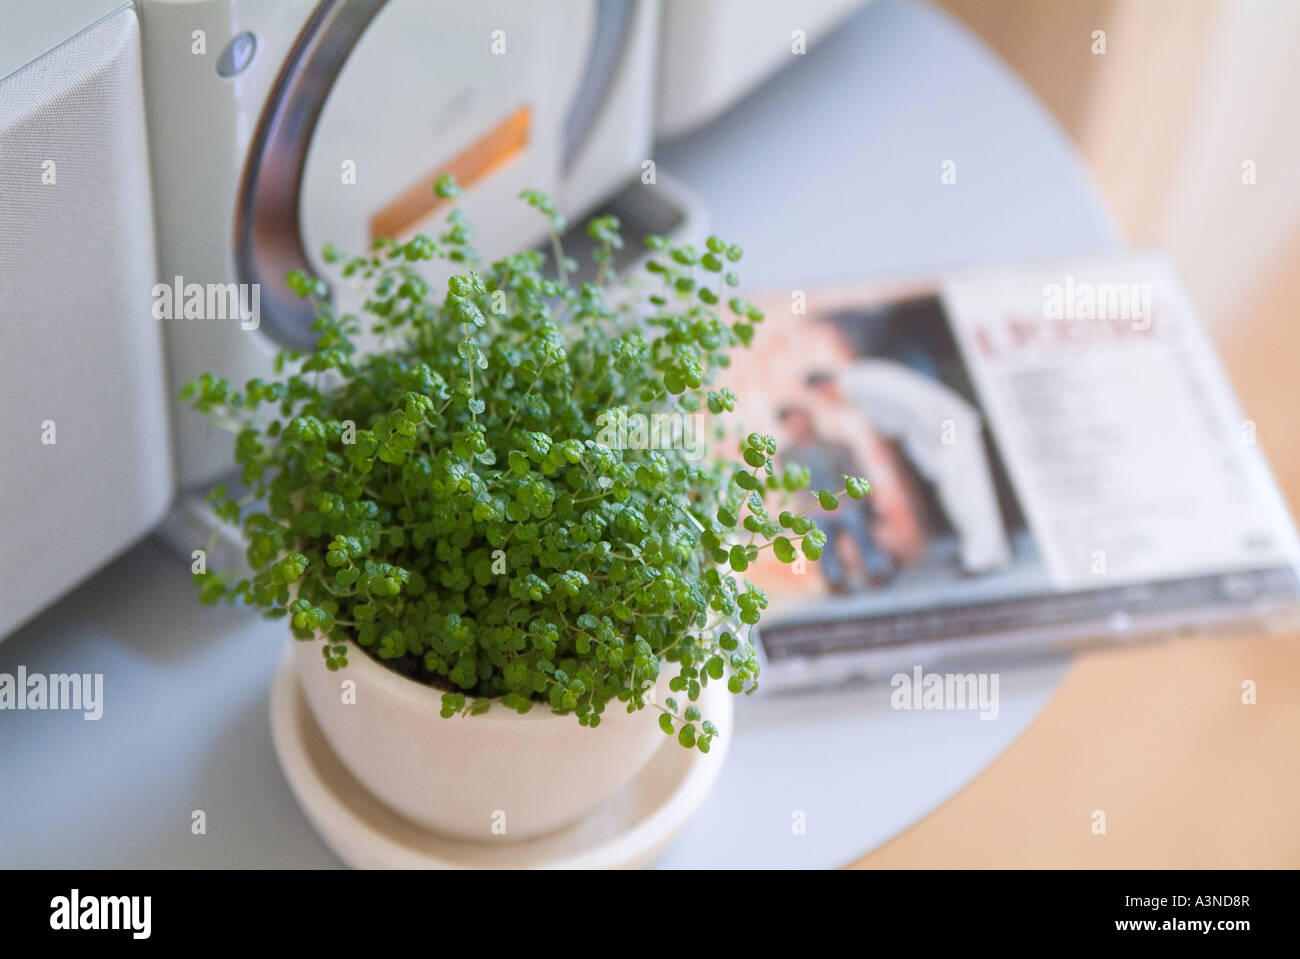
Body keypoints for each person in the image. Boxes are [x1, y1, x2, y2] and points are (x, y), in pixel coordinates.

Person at [806, 363, 1012, 574]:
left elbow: (918, 405)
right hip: (941, 437)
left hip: (948, 432)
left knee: (966, 495)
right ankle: (980, 553)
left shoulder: (864, 382)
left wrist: (941, 445)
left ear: (824, 386)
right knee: (956, 497)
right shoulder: (858, 390)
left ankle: (985, 557)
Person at [777, 405, 894, 593]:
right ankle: (834, 577)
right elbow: (796, 488)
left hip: (845, 502)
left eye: (800, 420)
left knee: (855, 519)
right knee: (817, 528)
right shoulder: (787, 456)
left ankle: (876, 569)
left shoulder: (836, 448)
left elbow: (855, 477)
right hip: (816, 508)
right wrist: (816, 506)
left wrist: (844, 500)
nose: (798, 426)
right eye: (792, 423)